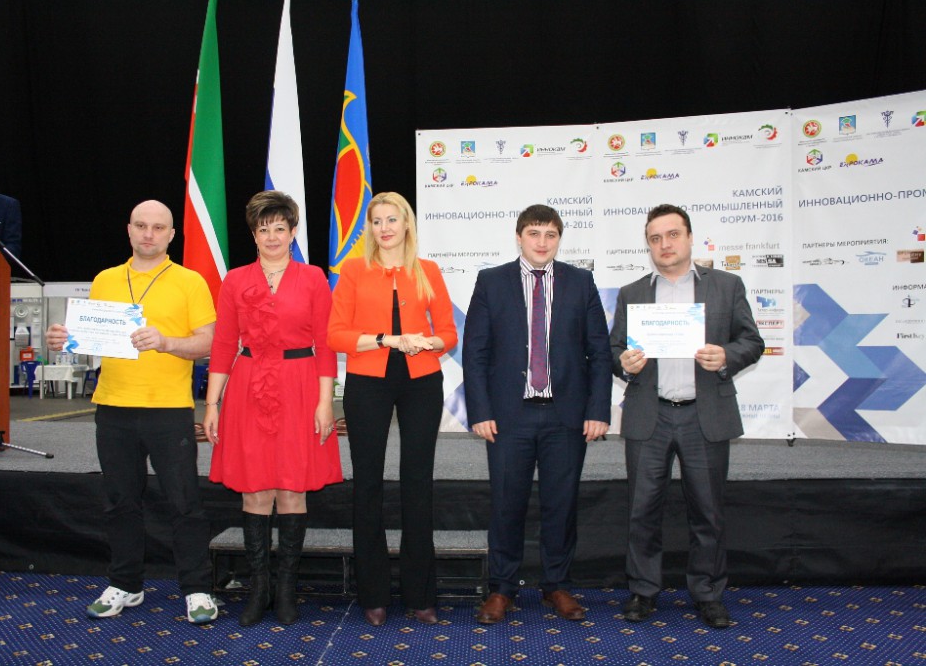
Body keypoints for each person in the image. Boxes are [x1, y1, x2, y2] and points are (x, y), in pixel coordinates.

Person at [46, 200, 219, 624]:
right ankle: (125, 583)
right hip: (113, 407)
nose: (148, 234)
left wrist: (166, 342)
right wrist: (65, 340)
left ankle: (197, 588)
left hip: (168, 409)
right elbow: (91, 339)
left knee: (184, 503)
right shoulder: (105, 279)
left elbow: (209, 342)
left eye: (158, 227)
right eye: (141, 225)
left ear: (171, 234)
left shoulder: (190, 281)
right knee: (119, 502)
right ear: (129, 230)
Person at [609, 203, 763, 629]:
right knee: (642, 510)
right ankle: (643, 591)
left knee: (708, 512)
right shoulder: (632, 293)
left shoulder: (727, 286)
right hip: (650, 415)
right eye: (655, 238)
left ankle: (708, 594)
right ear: (648, 244)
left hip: (704, 415)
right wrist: (624, 362)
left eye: (673, 235)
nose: (665, 244)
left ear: (690, 238)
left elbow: (752, 341)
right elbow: (613, 349)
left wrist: (726, 355)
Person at [462, 204, 613, 624]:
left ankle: (557, 585)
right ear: (519, 237)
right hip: (508, 416)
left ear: (559, 239)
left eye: (550, 234)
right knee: (505, 504)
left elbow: (599, 352)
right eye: (534, 233)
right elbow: (475, 352)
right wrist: (480, 410)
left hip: (567, 416)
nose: (542, 242)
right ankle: (502, 588)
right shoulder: (491, 281)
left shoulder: (581, 282)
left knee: (561, 505)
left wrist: (598, 409)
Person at [203, 191, 342, 626]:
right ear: (254, 235)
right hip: (247, 388)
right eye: (263, 229)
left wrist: (325, 403)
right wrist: (211, 403)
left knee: (292, 488)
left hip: (301, 387)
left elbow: (325, 346)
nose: (272, 236)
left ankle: (286, 590)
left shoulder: (313, 278)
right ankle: (258, 588)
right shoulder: (235, 280)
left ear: (293, 232)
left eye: (280, 228)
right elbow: (224, 343)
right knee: (255, 489)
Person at [327, 192, 457, 627]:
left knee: (417, 482)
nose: (384, 228)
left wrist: (428, 341)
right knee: (367, 483)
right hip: (368, 380)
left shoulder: (428, 270)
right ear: (369, 227)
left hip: (422, 381)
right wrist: (387, 339)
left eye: (392, 219)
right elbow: (336, 334)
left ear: (406, 225)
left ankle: (421, 594)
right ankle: (373, 594)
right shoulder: (353, 271)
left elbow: (449, 334)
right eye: (377, 221)